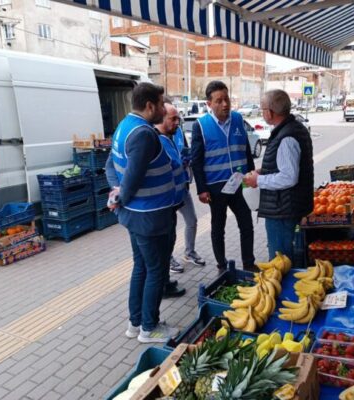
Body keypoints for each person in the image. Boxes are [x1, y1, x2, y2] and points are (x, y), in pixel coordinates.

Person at [105, 82, 180, 343]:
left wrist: (117, 194)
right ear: (149, 106)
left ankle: (135, 323)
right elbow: (134, 177)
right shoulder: (144, 134)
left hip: (137, 216)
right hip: (150, 217)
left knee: (142, 268)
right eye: (161, 104)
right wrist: (120, 197)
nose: (163, 107)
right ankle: (149, 327)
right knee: (156, 270)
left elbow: (110, 166)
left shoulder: (124, 126)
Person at [191, 80, 256, 273]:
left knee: (246, 223)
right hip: (215, 187)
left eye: (226, 99)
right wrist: (201, 189)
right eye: (219, 101)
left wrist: (251, 174)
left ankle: (249, 263)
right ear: (209, 104)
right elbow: (196, 160)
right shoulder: (200, 126)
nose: (225, 104)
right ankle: (222, 265)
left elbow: (245, 149)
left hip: (238, 183)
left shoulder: (237, 119)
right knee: (218, 227)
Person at [243, 90, 313, 261]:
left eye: (263, 109)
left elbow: (289, 177)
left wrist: (258, 180)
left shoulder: (286, 137)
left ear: (271, 112)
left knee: (280, 262)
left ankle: (283, 286)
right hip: (288, 207)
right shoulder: (292, 129)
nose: (262, 113)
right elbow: (285, 166)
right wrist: (264, 171)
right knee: (286, 258)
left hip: (283, 211)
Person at [156, 99, 206, 274]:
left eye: (178, 119)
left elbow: (184, 150)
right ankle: (168, 259)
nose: (177, 122)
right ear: (162, 118)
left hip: (182, 188)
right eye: (173, 119)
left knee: (191, 220)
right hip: (167, 195)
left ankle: (189, 253)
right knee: (169, 232)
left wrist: (187, 159)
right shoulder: (154, 139)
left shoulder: (177, 133)